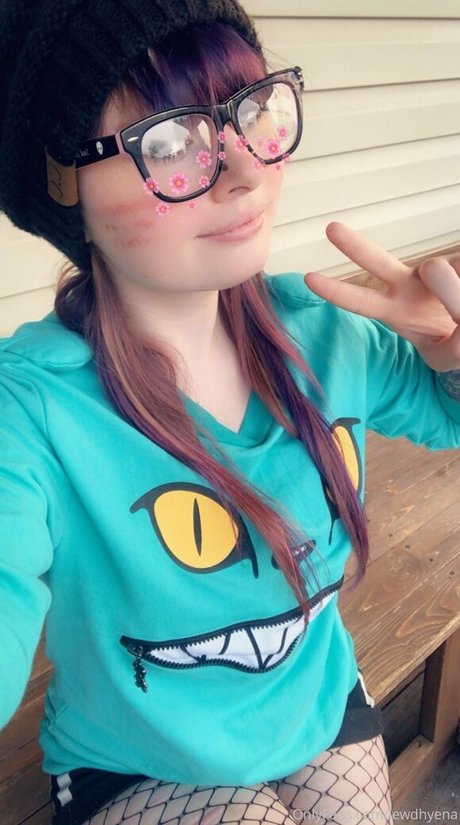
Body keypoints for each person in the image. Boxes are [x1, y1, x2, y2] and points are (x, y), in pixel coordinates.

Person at [0, 2, 459, 824]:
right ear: (66, 187)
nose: (244, 169)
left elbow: (446, 414)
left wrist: (454, 360)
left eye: (249, 113)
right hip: (136, 755)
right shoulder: (33, 406)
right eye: (170, 142)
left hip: (311, 695)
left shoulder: (326, 334)